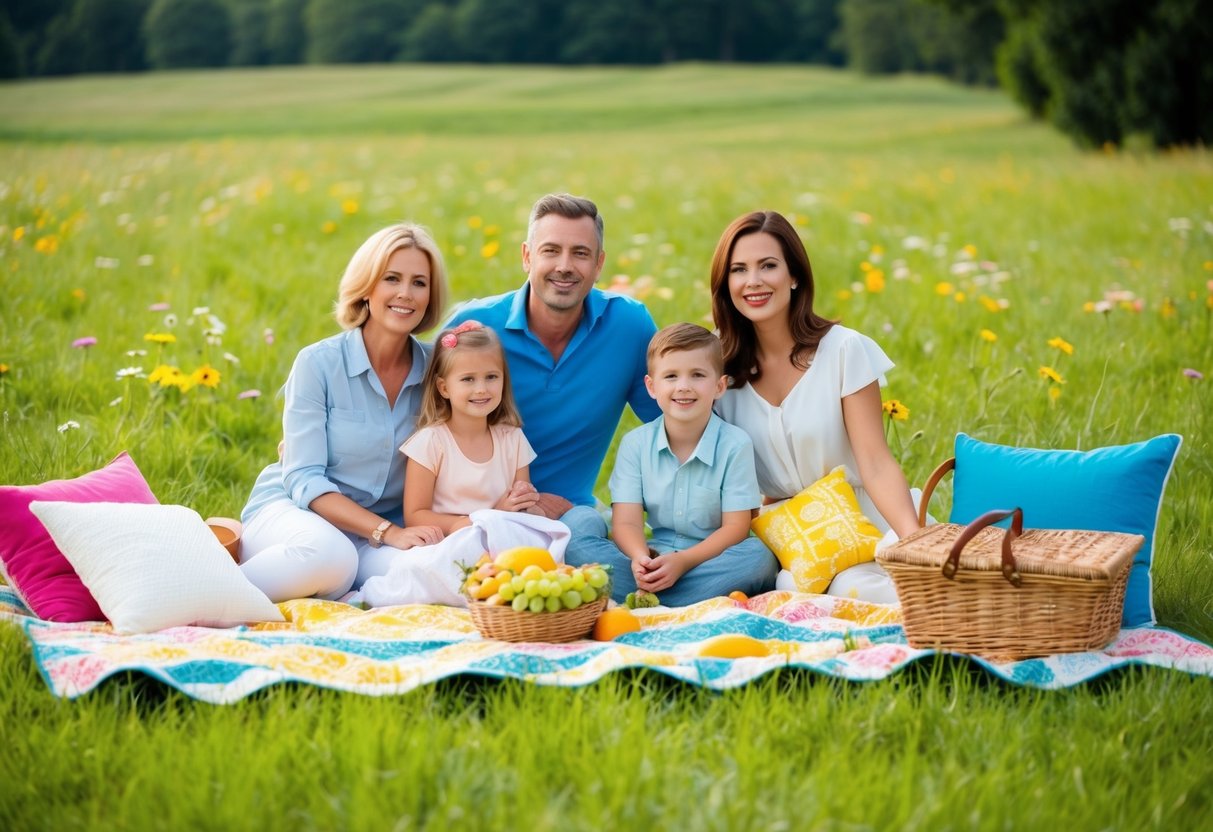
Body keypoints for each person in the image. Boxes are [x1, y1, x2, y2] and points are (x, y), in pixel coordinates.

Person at [710, 210, 920, 602]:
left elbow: (875, 463)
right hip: (792, 537)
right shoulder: (719, 368)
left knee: (850, 588)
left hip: (864, 524)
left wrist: (914, 542)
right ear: (726, 284)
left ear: (794, 276)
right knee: (795, 590)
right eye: (739, 270)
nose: (752, 281)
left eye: (768, 266)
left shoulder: (843, 350)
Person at [238, 223, 448, 603]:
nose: (406, 293)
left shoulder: (438, 370)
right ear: (366, 287)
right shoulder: (318, 363)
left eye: (419, 282)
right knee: (331, 558)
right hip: (296, 514)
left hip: (372, 539)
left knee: (438, 574)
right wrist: (387, 531)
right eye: (392, 278)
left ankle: (336, 598)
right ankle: (198, 596)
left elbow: (464, 446)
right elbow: (302, 477)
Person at [445, 193, 661, 540]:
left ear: (599, 264)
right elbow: (423, 432)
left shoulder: (629, 325)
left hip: (572, 515)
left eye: (580, 253)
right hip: (475, 516)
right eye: (550, 250)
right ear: (527, 257)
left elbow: (674, 423)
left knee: (600, 554)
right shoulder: (474, 327)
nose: (564, 265)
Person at [567, 323, 778, 606]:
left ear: (719, 386)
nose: (683, 386)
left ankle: (647, 597)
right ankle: (663, 590)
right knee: (575, 536)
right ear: (652, 387)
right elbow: (626, 522)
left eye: (697, 375)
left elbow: (736, 528)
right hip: (653, 556)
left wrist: (683, 562)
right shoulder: (636, 444)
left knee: (758, 558)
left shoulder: (734, 444)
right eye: (671, 376)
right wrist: (640, 559)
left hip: (708, 561)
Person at [401, 320, 541, 533]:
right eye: (468, 379)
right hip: (449, 543)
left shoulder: (513, 439)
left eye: (491, 377)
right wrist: (484, 519)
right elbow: (415, 516)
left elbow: (520, 509)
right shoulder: (430, 443)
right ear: (444, 387)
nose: (481, 389)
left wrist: (524, 501)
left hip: (503, 540)